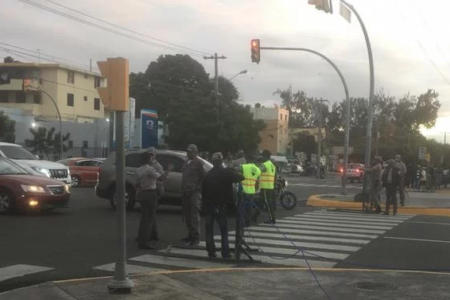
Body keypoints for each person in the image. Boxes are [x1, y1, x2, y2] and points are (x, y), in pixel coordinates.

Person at [202, 152, 244, 258]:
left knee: (209, 230)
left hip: (209, 206)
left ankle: (211, 252)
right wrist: (233, 170)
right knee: (224, 230)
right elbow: (240, 178)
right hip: (221, 206)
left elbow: (203, 190)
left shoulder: (208, 175)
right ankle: (225, 252)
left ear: (212, 162)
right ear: (221, 162)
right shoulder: (226, 172)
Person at [135, 151, 172, 249]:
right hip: (150, 194)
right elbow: (161, 178)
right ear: (148, 159)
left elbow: (137, 184)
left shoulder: (138, 170)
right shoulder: (150, 169)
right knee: (149, 219)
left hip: (142, 193)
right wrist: (168, 170)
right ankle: (145, 242)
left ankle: (141, 238)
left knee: (144, 218)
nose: (153, 160)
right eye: (152, 158)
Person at [181, 144, 206, 246]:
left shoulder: (199, 163)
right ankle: (190, 234)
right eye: (187, 151)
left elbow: (204, 177)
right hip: (185, 192)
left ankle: (195, 237)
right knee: (187, 214)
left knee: (194, 215)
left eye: (190, 151)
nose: (188, 153)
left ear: (195, 152)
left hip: (194, 192)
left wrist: (197, 187)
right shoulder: (186, 162)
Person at [240, 154, 261, 226]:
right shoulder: (258, 170)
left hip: (243, 191)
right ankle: (247, 221)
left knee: (242, 206)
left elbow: (235, 171)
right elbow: (257, 182)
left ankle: (242, 221)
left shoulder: (243, 167)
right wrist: (256, 190)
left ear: (247, 159)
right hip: (252, 191)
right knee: (249, 207)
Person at [258, 150, 277, 224]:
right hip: (270, 186)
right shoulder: (272, 165)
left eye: (262, 155)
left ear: (266, 156)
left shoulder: (265, 164)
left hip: (265, 187)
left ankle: (272, 219)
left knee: (268, 204)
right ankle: (254, 217)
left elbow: (257, 171)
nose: (261, 157)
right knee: (261, 202)